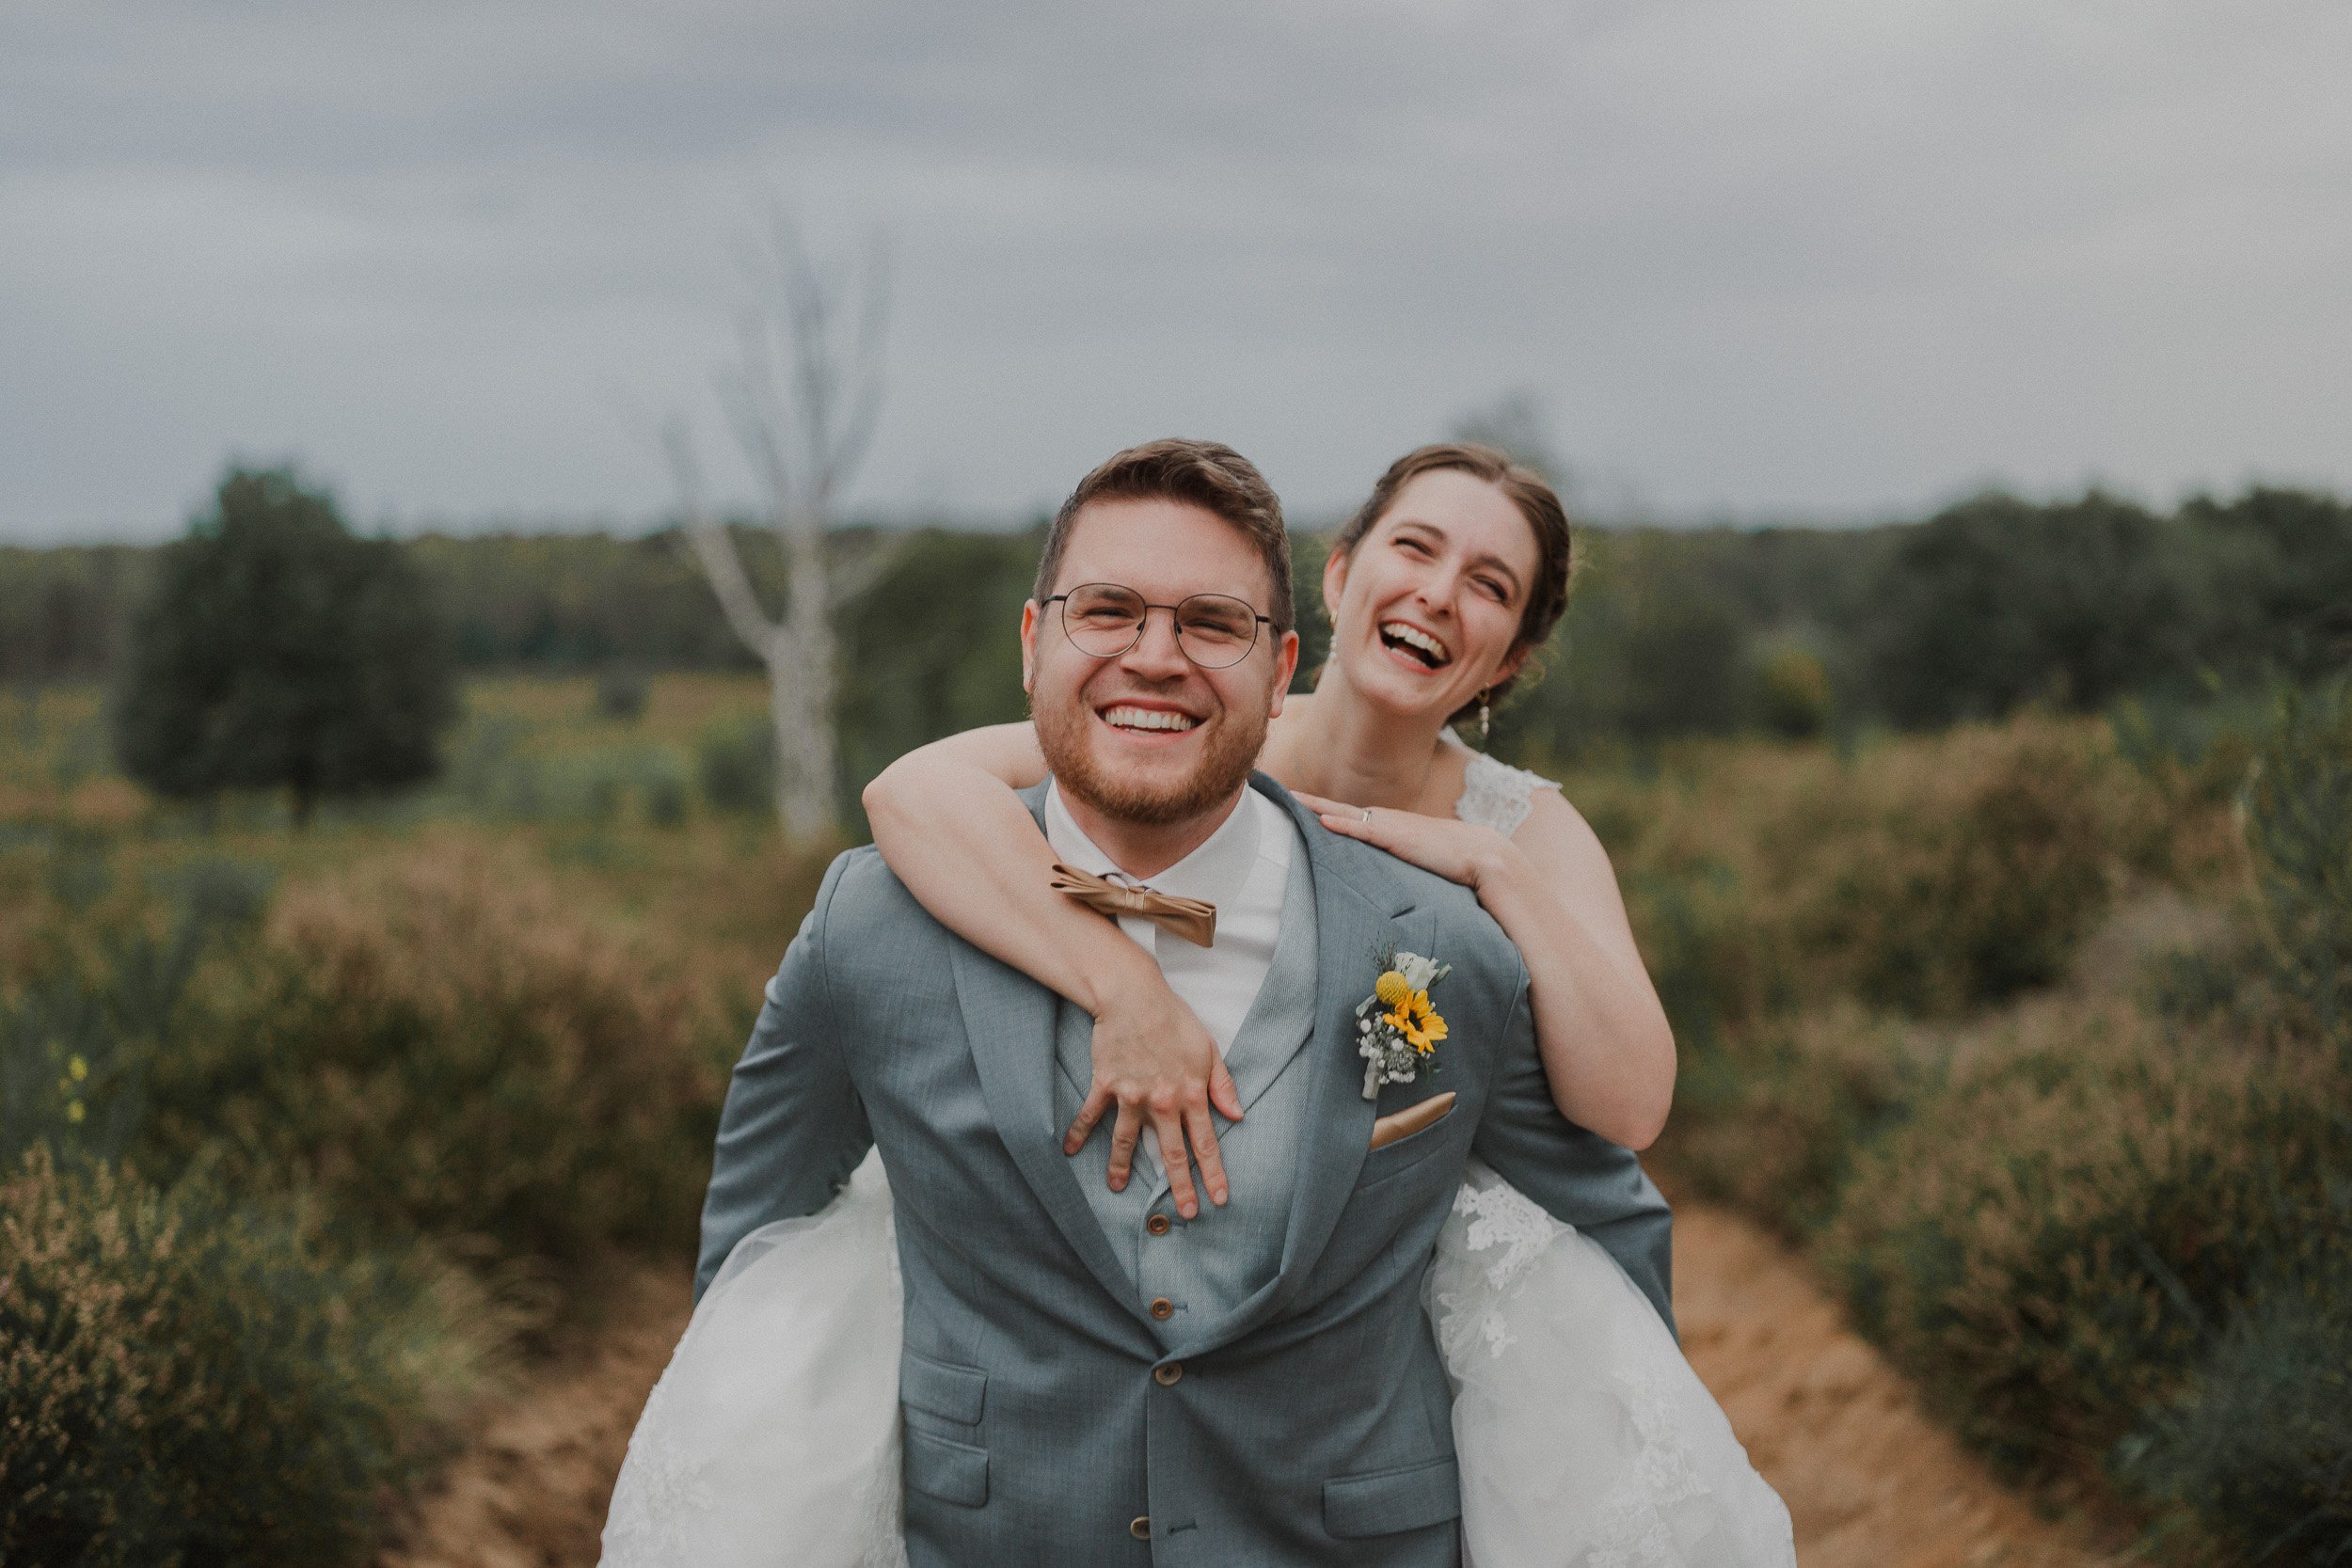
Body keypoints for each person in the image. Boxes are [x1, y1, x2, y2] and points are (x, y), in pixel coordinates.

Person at [601, 440, 1793, 1567]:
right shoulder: (886, 912)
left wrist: (1634, 1461)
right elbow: (763, 1216)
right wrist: (1120, 977)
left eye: (1489, 582)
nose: (1155, 655)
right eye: (1108, 611)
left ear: (1275, 660)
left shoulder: (1470, 922)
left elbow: (1607, 1167)